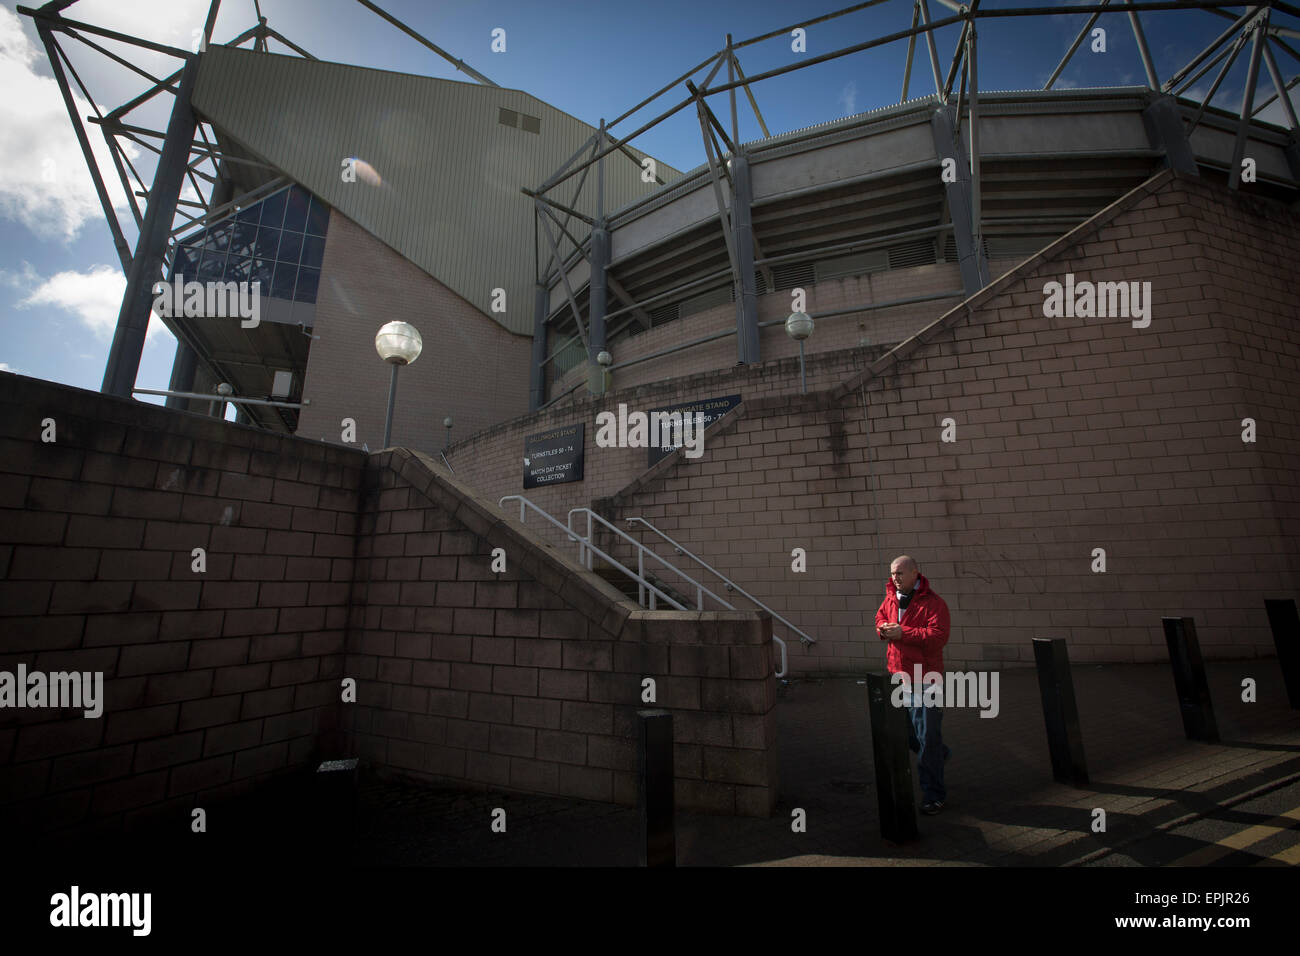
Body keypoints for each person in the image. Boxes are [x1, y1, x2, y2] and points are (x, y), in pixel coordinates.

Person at [875, 555, 952, 815]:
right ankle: (938, 753)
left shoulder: (934, 603)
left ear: (915, 574)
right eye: (892, 573)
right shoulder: (890, 599)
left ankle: (934, 795)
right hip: (898, 679)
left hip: (925, 680)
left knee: (927, 737)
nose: (894, 578)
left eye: (899, 573)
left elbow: (938, 637)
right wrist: (883, 629)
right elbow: (879, 620)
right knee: (911, 736)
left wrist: (903, 633)